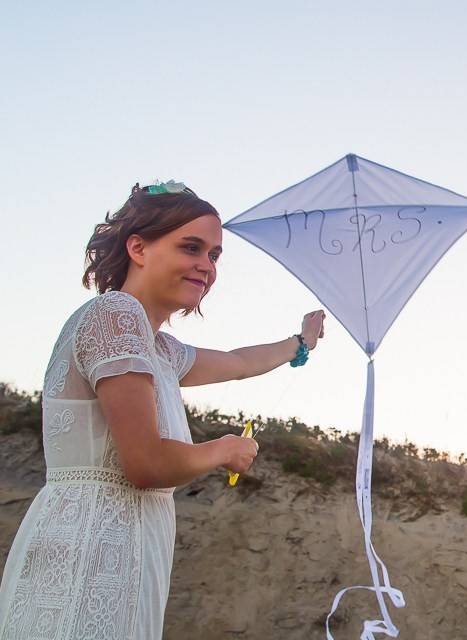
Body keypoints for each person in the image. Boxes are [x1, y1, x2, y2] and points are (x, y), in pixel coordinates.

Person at [0, 181, 326, 639]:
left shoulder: (157, 347)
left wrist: (302, 342)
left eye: (214, 255)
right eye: (191, 247)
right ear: (138, 247)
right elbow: (147, 464)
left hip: (131, 547)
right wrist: (226, 449)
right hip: (89, 550)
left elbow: (237, 362)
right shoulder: (115, 315)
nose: (206, 266)